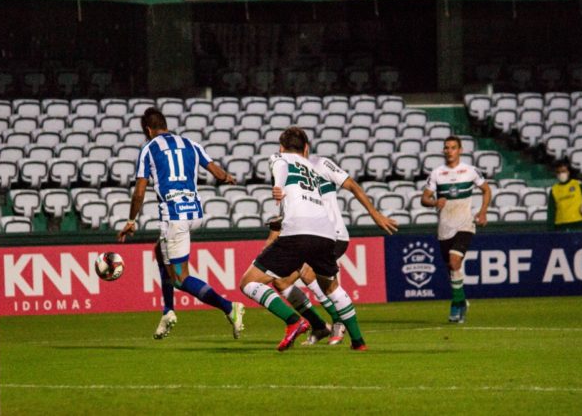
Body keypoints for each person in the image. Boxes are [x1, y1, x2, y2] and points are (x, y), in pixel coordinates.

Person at [118, 107, 245, 340]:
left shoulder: (149, 148)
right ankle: (168, 311)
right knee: (160, 250)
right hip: (195, 213)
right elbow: (217, 173)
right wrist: (227, 177)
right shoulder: (190, 143)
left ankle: (229, 307)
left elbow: (139, 192)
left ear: (148, 130)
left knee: (180, 278)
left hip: (175, 217)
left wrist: (131, 220)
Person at [240, 127, 368, 351]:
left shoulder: (279, 158)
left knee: (249, 282)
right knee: (331, 287)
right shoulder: (312, 166)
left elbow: (280, 168)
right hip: (325, 233)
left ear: (281, 147)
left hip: (298, 232)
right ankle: (358, 341)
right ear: (306, 148)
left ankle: (294, 321)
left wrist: (277, 186)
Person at [266, 145, 398, 346]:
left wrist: (375, 214)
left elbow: (352, 185)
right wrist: (275, 233)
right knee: (281, 281)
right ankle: (319, 325)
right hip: (306, 234)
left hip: (333, 234)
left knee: (309, 273)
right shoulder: (286, 172)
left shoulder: (321, 163)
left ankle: (339, 323)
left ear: (305, 148)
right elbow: (289, 210)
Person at [420, 135, 491, 324]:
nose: (449, 151)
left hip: (465, 224)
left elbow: (486, 190)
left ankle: (456, 304)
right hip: (445, 227)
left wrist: (483, 212)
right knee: (451, 269)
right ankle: (460, 301)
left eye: (453, 147)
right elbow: (424, 198)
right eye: (446, 147)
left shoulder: (470, 171)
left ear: (460, 150)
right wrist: (434, 202)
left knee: (454, 260)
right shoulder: (437, 173)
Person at [547, 160, 582, 231]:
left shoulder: (578, 185)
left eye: (563, 171)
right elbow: (551, 211)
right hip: (560, 226)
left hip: (577, 224)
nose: (561, 174)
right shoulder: (554, 190)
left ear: (568, 172)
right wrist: (550, 230)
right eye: (558, 172)